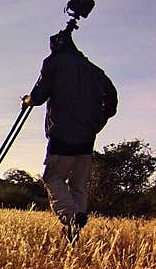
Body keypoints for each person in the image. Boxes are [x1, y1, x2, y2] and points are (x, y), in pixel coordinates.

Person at [22, 29, 118, 242]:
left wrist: (26, 101)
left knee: (53, 178)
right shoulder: (96, 71)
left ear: (56, 46)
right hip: (87, 138)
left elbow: (38, 96)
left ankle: (71, 216)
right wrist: (98, 123)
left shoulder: (54, 62)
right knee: (79, 185)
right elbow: (112, 102)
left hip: (62, 135)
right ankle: (74, 232)